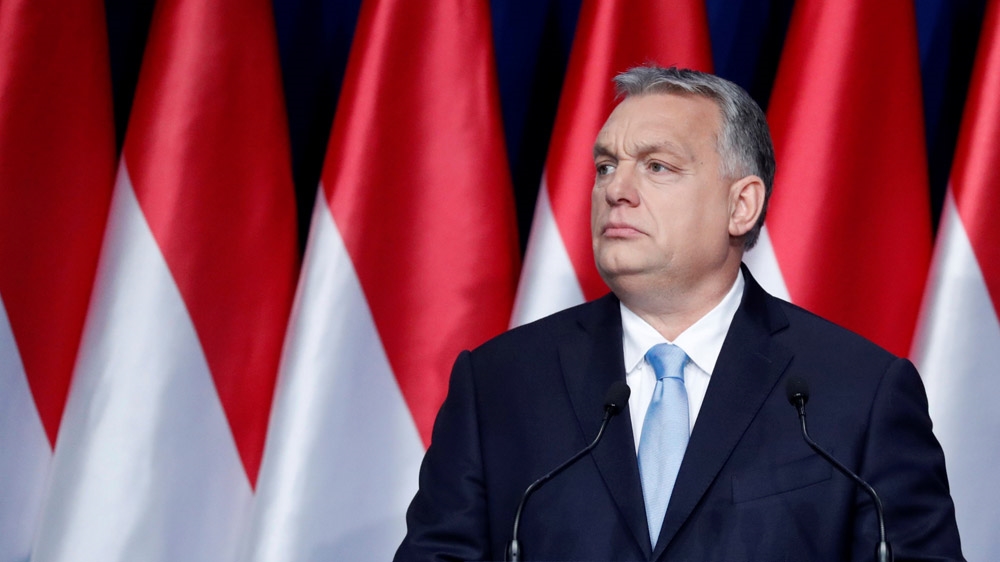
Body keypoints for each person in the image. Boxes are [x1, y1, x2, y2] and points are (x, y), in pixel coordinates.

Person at [394, 66, 963, 561]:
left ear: (741, 205)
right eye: (605, 166)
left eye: (658, 166)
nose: (616, 190)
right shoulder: (500, 383)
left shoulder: (858, 393)